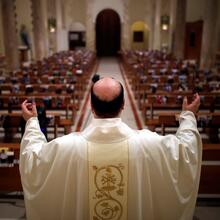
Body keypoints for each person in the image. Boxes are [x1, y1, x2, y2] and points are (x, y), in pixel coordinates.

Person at [20, 77, 201, 220]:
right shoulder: (149, 144)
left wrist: (32, 122)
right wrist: (189, 116)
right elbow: (186, 151)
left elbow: (33, 160)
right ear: (123, 105)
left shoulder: (66, 147)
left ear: (91, 106)